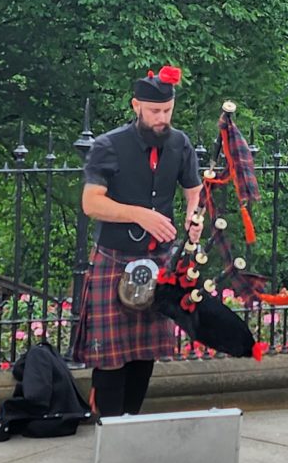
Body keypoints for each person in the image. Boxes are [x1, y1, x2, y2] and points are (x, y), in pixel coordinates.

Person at [72, 66, 202, 417]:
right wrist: (140, 214)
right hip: (115, 259)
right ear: (136, 106)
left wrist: (193, 215)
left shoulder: (180, 143)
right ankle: (109, 431)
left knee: (145, 354)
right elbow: (91, 203)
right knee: (110, 359)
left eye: (168, 111)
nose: (162, 118)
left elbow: (194, 191)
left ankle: (129, 428)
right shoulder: (108, 145)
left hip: (158, 261)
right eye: (155, 111)